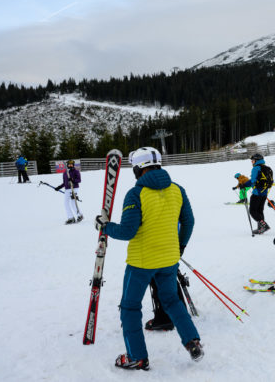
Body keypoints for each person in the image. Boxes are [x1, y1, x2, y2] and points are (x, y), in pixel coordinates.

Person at [94, 146, 203, 370]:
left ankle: (137, 356)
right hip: (169, 259)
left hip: (141, 262)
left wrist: (105, 227)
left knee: (130, 307)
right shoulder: (178, 190)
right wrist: (179, 247)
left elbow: (127, 231)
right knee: (171, 301)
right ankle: (192, 341)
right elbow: (189, 222)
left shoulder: (136, 194)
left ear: (138, 169)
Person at [241, 153, 272, 234]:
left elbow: (252, 181)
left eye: (253, 160)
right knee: (260, 210)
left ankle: (263, 225)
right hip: (264, 193)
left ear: (256, 160)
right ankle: (261, 228)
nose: (252, 162)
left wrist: (244, 185)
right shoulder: (267, 168)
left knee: (253, 211)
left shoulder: (256, 168)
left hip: (257, 193)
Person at [55, 159, 83, 224]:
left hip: (74, 188)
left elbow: (79, 180)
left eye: (71, 164)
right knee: (66, 203)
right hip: (67, 189)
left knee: (73, 203)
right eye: (69, 164)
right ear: (67, 165)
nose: (70, 165)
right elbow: (65, 182)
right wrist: (59, 187)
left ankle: (80, 215)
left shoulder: (76, 171)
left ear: (73, 165)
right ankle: (71, 218)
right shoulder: (65, 173)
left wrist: (73, 180)